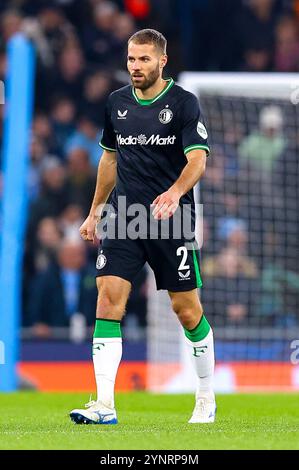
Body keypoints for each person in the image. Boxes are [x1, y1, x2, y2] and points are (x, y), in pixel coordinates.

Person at [70, 29, 216, 425]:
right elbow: (110, 160)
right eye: (131, 59)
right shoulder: (117, 103)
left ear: (162, 61)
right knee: (107, 298)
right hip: (125, 218)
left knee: (186, 310)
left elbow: (198, 160)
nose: (135, 66)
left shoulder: (184, 104)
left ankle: (205, 396)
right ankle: (104, 405)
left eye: (144, 59)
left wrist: (174, 193)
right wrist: (96, 209)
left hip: (172, 220)